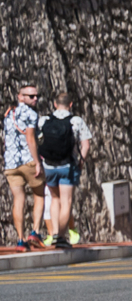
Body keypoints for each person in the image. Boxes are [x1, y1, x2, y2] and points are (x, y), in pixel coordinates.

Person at [36, 90, 89, 250]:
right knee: (67, 201)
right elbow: (85, 145)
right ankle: (61, 237)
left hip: (49, 166)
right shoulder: (76, 121)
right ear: (71, 104)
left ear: (54, 104)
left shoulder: (44, 120)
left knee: (54, 199)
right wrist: (81, 161)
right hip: (67, 166)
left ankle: (53, 233)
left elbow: (38, 140)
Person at [3, 82, 40, 249]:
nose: (35, 99)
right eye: (31, 96)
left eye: (36, 96)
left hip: (10, 164)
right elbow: (30, 139)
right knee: (39, 194)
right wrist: (37, 161)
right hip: (28, 161)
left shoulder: (8, 113)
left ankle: (20, 239)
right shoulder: (31, 114)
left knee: (18, 199)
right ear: (20, 96)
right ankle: (35, 232)